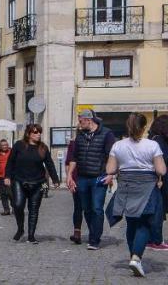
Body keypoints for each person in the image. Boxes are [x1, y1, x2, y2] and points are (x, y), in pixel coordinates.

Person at [104, 112, 167, 276]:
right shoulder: (152, 145)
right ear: (144, 127)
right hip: (146, 186)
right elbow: (161, 170)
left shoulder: (118, 145)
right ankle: (136, 258)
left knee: (131, 223)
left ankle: (134, 257)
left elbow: (110, 169)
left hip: (126, 186)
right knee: (144, 223)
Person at [68, 108, 117, 249]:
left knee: (96, 208)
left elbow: (112, 156)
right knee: (87, 209)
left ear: (88, 120)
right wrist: (70, 175)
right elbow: (74, 157)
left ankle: (95, 239)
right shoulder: (80, 135)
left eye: (80, 120)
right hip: (82, 177)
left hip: (99, 177)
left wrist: (110, 175)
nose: (79, 123)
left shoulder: (106, 134)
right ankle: (93, 233)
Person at [6, 123, 60, 243]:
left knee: (34, 209)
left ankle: (31, 235)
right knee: (18, 205)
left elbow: (49, 164)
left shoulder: (43, 148)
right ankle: (20, 229)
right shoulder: (19, 145)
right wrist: (7, 176)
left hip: (39, 183)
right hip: (19, 180)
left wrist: (55, 179)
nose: (38, 134)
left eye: (39, 132)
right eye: (35, 132)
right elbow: (10, 161)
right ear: (28, 134)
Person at [146, 115, 168, 252]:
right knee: (159, 210)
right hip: (162, 179)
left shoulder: (152, 138)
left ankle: (153, 238)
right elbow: (162, 159)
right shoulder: (159, 141)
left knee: (158, 209)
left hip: (157, 179)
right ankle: (156, 240)